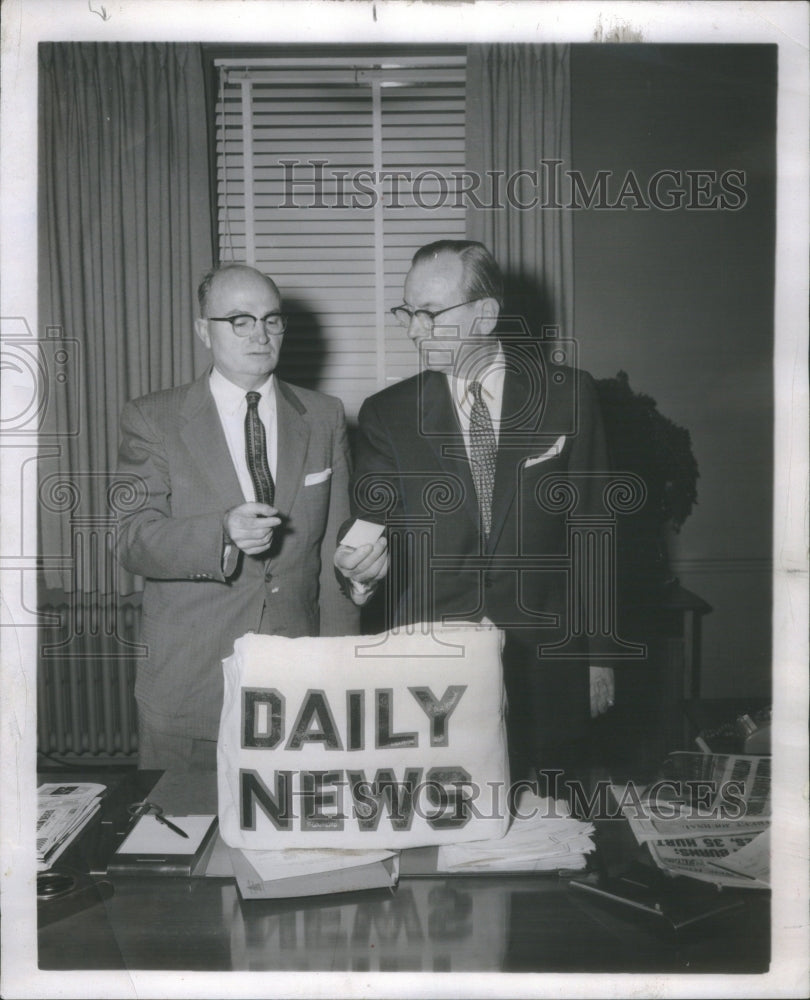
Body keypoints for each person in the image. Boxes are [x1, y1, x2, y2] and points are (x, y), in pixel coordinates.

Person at [335, 240, 614, 779]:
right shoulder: (388, 414)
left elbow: (593, 531)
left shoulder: (568, 397)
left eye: (429, 313)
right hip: (432, 672)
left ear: (485, 314)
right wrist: (357, 565)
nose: (414, 329)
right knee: (439, 834)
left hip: (547, 662)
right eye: (407, 312)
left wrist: (602, 656)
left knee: (548, 830)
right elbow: (369, 517)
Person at [117, 263, 359, 769]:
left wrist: (341, 670)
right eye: (240, 320)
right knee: (184, 836)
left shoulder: (324, 415)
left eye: (272, 320)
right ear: (204, 330)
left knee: (296, 835)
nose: (260, 335)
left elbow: (335, 562)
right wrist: (220, 532)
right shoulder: (152, 418)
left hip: (300, 684)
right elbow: (132, 538)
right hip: (192, 684)